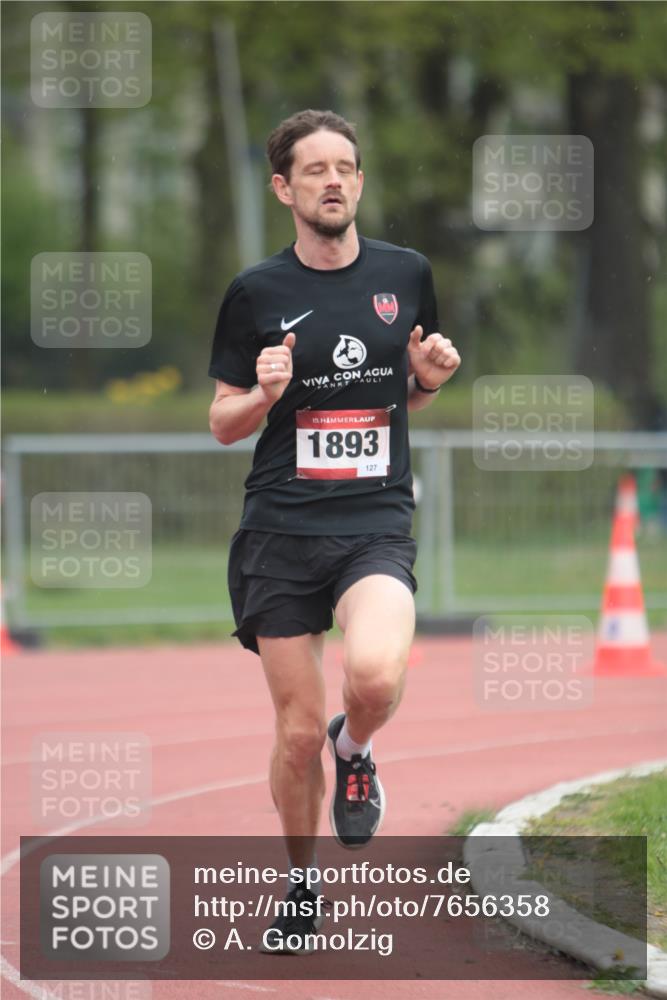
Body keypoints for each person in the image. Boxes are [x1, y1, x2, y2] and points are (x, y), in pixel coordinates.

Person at [208, 109, 461, 953]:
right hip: (280, 528)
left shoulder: (406, 273)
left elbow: (404, 398)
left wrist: (423, 384)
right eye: (314, 170)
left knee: (377, 676)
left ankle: (356, 749)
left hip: (373, 521)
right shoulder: (256, 292)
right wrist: (262, 394)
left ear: (358, 181)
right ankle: (301, 883)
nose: (333, 181)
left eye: (345, 167)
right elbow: (221, 423)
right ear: (283, 187)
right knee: (291, 732)